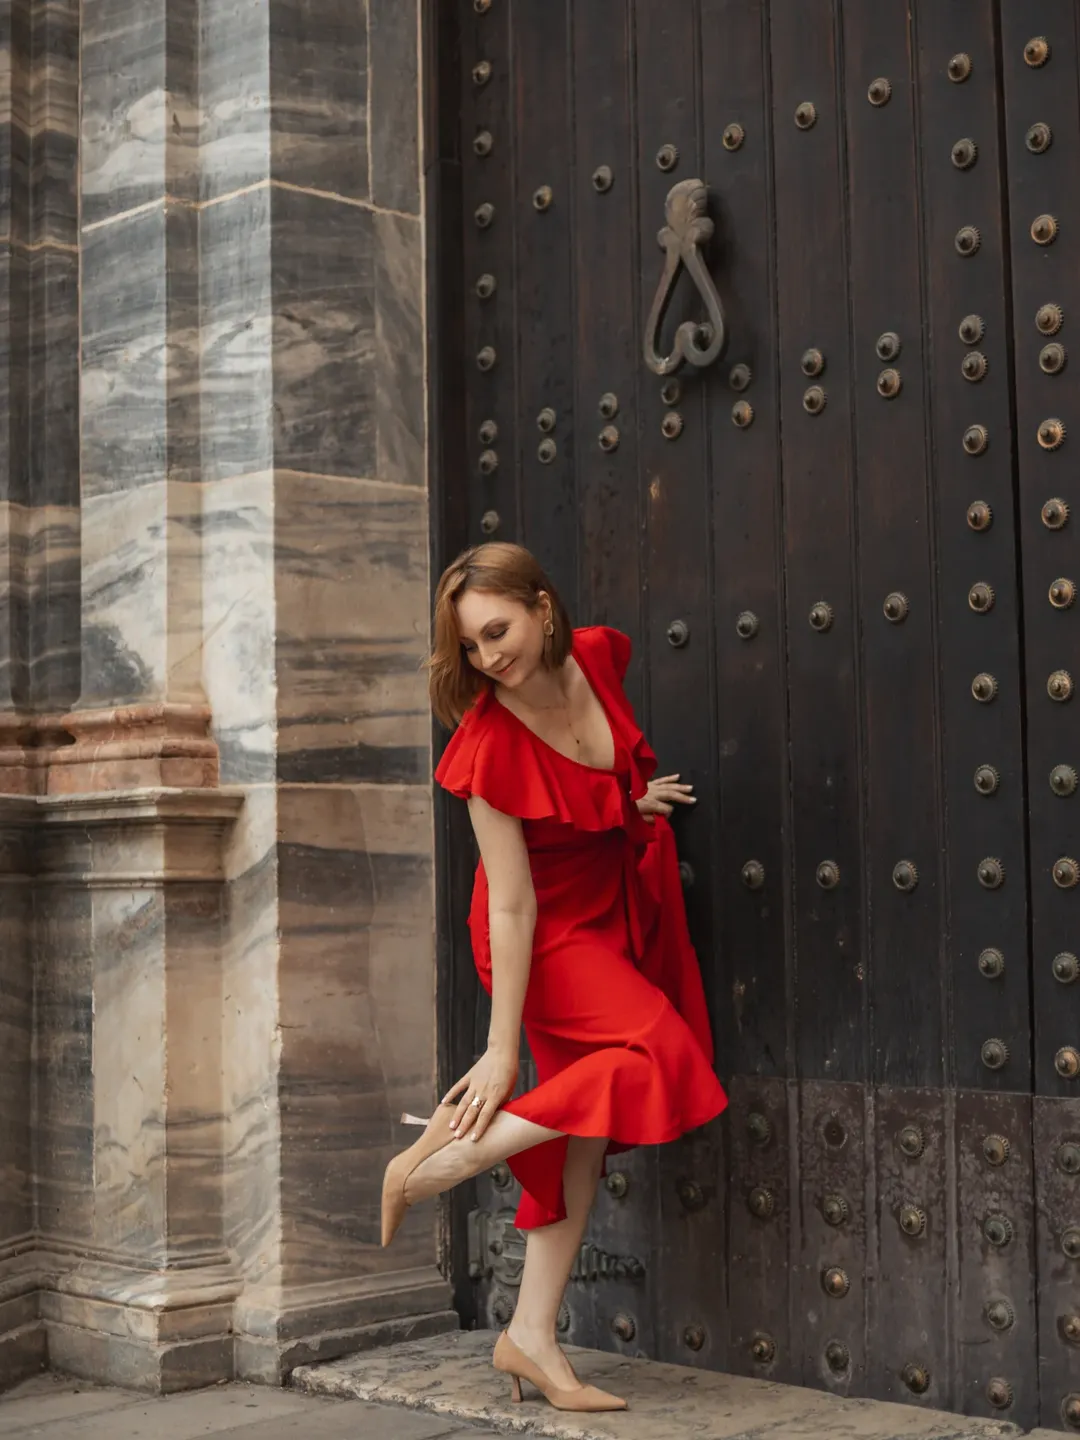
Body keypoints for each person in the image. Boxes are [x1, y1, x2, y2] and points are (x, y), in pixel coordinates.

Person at [381, 542, 728, 1414]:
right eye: (469, 646)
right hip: (541, 941)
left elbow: (585, 784)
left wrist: (626, 803)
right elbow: (511, 906)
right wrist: (501, 1053)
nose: (488, 656)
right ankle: (456, 1155)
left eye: (497, 630)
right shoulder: (484, 748)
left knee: (580, 1144)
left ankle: (531, 1336)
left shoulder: (598, 657)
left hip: (609, 913)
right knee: (660, 1060)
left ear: (542, 604)